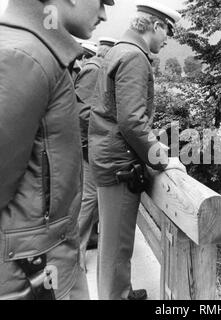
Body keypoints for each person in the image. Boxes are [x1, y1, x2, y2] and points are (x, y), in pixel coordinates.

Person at [0, 0, 114, 300]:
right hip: (31, 271)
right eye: (102, 1)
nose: (104, 13)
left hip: (42, 260)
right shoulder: (25, 55)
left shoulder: (37, 51)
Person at [89, 1, 186, 300]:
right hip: (119, 165)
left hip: (108, 157)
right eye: (168, 30)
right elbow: (131, 121)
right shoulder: (134, 57)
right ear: (155, 26)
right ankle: (116, 296)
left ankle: (121, 290)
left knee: (112, 241)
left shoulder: (118, 49)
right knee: (117, 244)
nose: (168, 38)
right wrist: (161, 159)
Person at [75, 37, 116, 272]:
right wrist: (107, 128)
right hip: (88, 145)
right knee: (89, 197)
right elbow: (82, 112)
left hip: (91, 144)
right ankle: (75, 254)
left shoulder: (98, 69)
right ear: (107, 53)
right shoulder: (95, 71)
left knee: (95, 196)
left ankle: (88, 240)